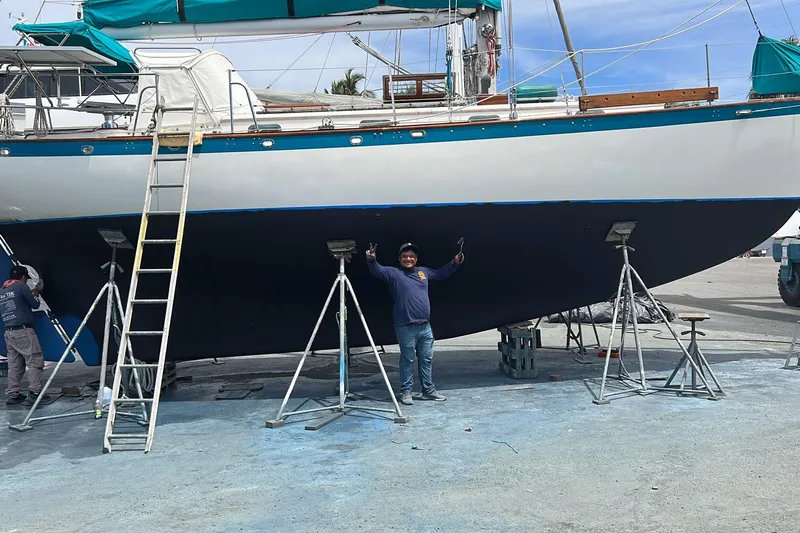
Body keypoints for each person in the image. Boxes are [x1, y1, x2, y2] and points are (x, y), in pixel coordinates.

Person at [366, 242, 463, 405]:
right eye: (405, 256)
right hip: (405, 327)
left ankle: (428, 391)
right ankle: (406, 392)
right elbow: (377, 270)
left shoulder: (423, 272)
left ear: (416, 259)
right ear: (399, 259)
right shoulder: (393, 273)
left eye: (411, 256)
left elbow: (440, 274)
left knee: (426, 360)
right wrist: (371, 260)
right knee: (407, 360)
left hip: (425, 327)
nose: (408, 259)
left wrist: (454, 262)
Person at [1, 265, 47, 405]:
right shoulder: (21, 287)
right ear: (23, 277)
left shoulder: (3, 290)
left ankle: (13, 394)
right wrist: (36, 293)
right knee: (35, 361)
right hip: (23, 331)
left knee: (15, 365)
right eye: (26, 278)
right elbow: (35, 305)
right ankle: (34, 393)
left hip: (9, 333)